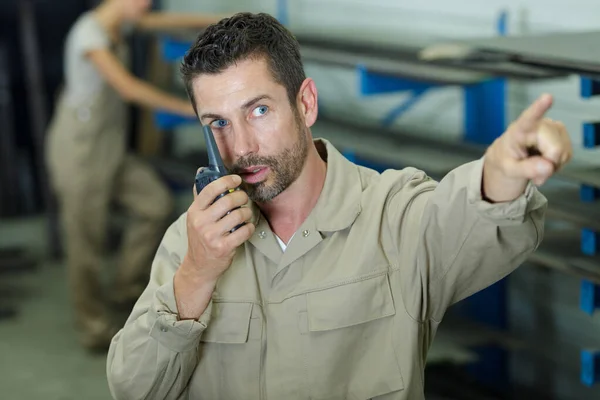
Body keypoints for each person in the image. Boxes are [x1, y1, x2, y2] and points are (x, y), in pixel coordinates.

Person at [106, 12, 572, 400]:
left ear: (305, 104)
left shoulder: (393, 216)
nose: (242, 147)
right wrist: (197, 274)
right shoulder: (191, 242)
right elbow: (135, 388)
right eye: (218, 123)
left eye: (259, 110)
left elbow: (468, 221)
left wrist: (502, 174)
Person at [45, 0, 226, 352]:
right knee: (86, 241)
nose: (147, 4)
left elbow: (165, 21)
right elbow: (128, 88)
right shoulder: (89, 33)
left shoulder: (122, 24)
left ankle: (125, 292)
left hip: (110, 149)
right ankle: (94, 327)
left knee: (154, 205)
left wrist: (225, 20)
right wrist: (198, 111)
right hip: (79, 151)